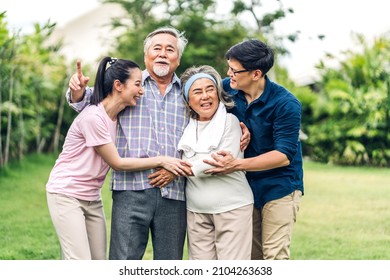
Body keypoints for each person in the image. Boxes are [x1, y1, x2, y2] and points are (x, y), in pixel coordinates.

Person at [46, 57, 191, 260]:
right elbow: (117, 163)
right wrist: (161, 160)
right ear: (118, 85)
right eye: (138, 84)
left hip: (91, 197)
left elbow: (90, 95)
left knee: (99, 262)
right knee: (79, 262)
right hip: (67, 193)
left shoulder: (117, 114)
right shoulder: (93, 118)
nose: (142, 91)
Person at [204, 39, 304, 260]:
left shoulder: (286, 104)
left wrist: (235, 165)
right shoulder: (227, 89)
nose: (228, 74)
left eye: (234, 70)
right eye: (229, 67)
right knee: (251, 256)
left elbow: (283, 156)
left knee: (274, 255)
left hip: (280, 186)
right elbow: (200, 107)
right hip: (244, 187)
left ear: (256, 74)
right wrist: (236, 125)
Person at [178, 65, 254, 260]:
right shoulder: (185, 127)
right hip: (196, 212)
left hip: (232, 209)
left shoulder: (230, 122)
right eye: (197, 91)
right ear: (188, 100)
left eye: (210, 89)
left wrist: (175, 170)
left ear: (218, 94)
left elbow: (216, 163)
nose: (205, 96)